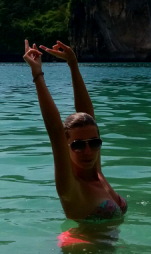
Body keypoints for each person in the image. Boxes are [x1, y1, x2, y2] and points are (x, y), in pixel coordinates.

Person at [23, 39, 128, 222]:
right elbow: (55, 130)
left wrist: (73, 64)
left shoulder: (96, 172)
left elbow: (87, 114)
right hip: (82, 249)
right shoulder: (70, 187)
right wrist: (37, 74)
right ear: (66, 145)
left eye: (94, 143)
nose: (88, 151)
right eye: (78, 145)